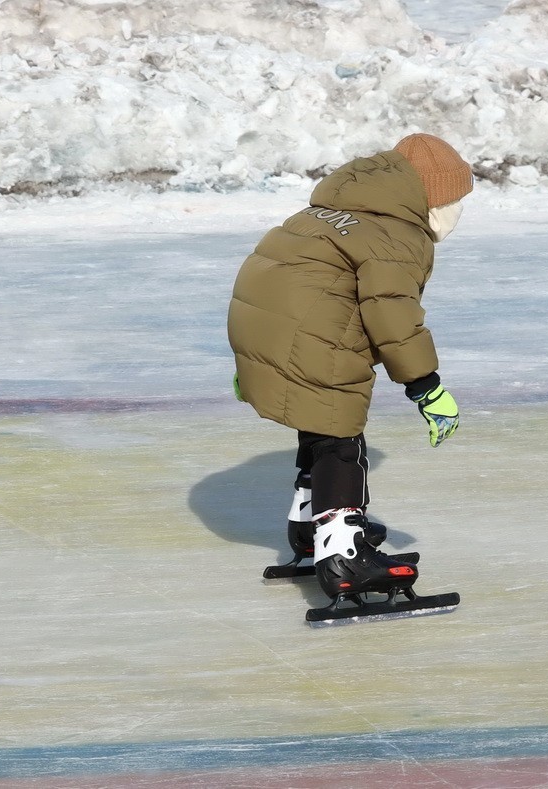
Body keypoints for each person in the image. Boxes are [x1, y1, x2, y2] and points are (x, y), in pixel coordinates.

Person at [227, 133, 472, 603]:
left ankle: (307, 528)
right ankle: (344, 554)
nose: (459, 212)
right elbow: (393, 316)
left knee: (318, 424)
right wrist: (426, 385)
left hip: (263, 326)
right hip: (309, 332)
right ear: (433, 198)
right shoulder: (395, 235)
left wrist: (255, 357)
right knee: (341, 440)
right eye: (457, 200)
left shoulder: (332, 212)